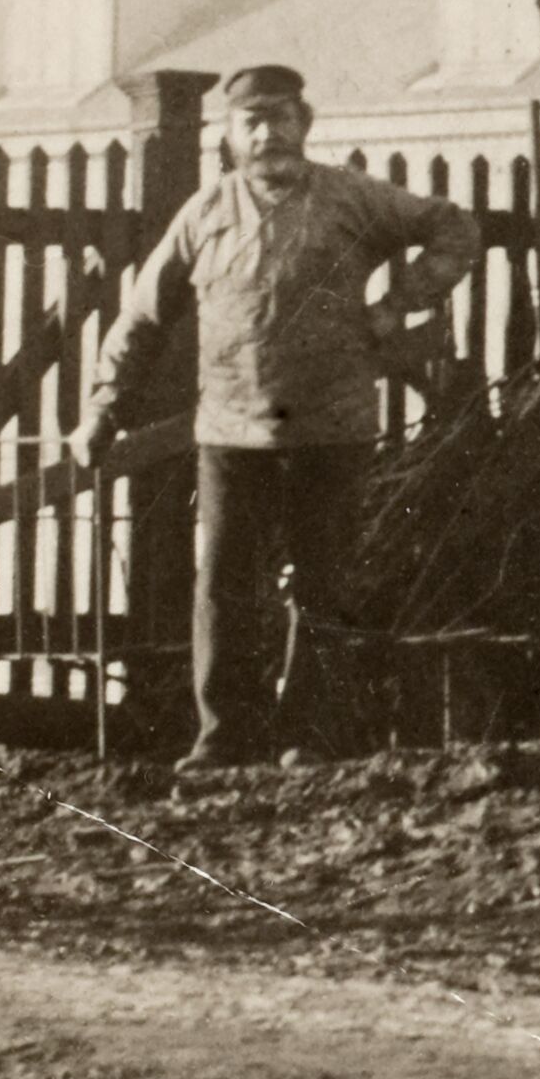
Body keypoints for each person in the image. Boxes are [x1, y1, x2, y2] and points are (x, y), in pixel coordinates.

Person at [81, 64, 477, 767]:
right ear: (231, 135)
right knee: (224, 589)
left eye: (282, 118)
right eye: (253, 121)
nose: (269, 135)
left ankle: (311, 741)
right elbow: (142, 316)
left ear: (305, 124)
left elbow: (454, 229)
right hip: (232, 431)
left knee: (325, 586)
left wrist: (397, 303)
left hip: (333, 430)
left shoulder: (353, 198)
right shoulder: (205, 213)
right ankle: (225, 740)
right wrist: (102, 412)